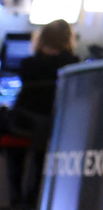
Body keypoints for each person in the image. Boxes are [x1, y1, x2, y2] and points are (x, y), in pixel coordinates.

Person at [5, 19, 78, 205]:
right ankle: (34, 199)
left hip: (22, 124)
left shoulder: (27, 63)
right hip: (52, 127)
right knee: (41, 160)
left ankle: (14, 198)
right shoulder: (72, 65)